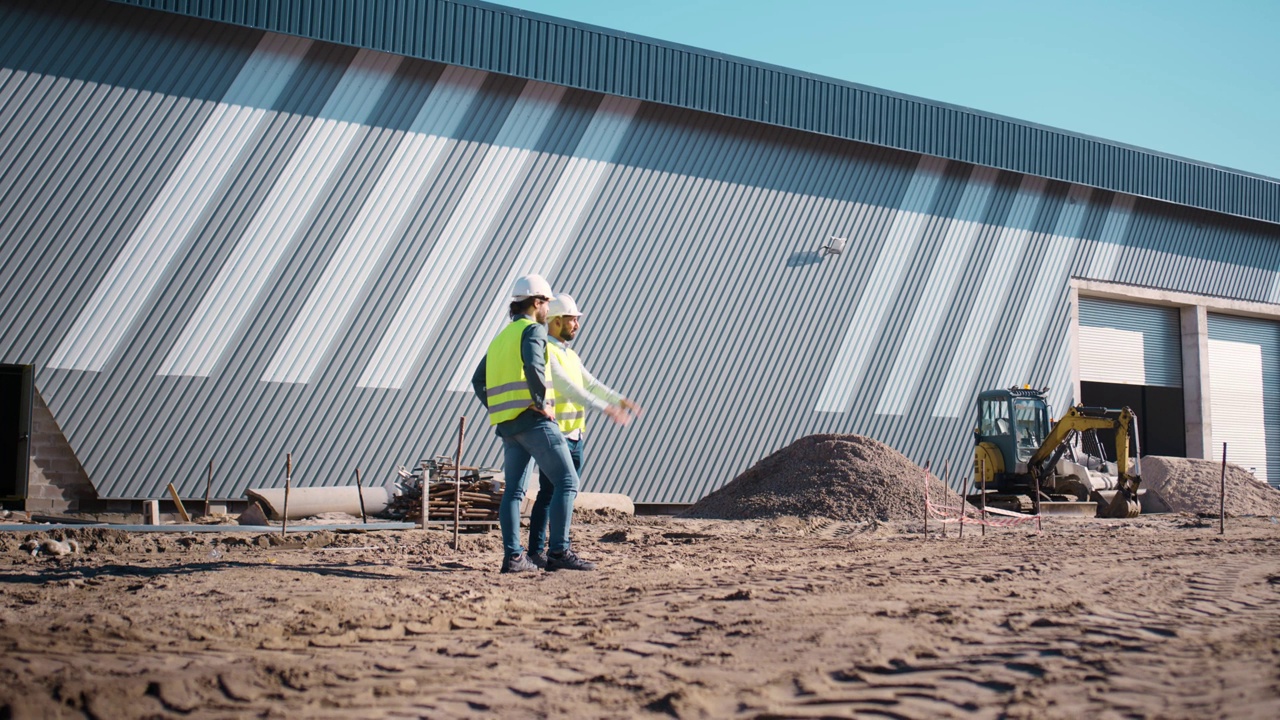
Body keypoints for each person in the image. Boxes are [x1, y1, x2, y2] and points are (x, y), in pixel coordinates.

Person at [471, 274, 595, 573]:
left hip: (508, 426)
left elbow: (478, 381)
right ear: (537, 302)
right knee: (567, 481)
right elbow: (533, 366)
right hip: (533, 420)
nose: (547, 310)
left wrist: (499, 408)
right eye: (546, 303)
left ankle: (514, 557)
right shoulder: (533, 331)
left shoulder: (501, 338)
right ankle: (559, 552)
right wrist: (543, 404)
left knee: (513, 492)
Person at [527, 294, 642, 567]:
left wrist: (618, 399)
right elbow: (570, 388)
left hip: (575, 434)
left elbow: (590, 384)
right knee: (560, 490)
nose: (577, 324)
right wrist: (605, 408)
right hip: (557, 434)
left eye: (578, 319)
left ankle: (538, 551)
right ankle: (557, 551)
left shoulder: (570, 354)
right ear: (555, 322)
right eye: (572, 319)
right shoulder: (549, 351)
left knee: (550, 493)